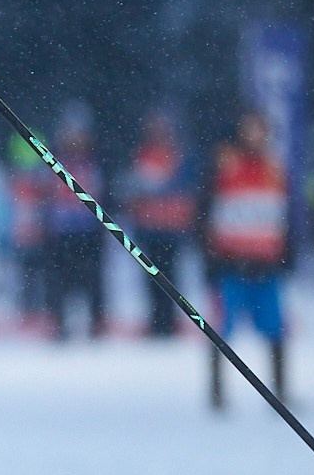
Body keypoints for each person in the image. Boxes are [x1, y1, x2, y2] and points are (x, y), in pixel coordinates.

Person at [204, 108, 290, 409]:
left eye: (259, 129)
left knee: (275, 327)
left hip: (265, 263)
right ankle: (216, 394)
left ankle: (280, 392)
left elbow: (284, 214)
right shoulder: (225, 163)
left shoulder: (274, 167)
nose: (254, 135)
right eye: (249, 128)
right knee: (220, 329)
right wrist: (210, 258)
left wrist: (286, 255)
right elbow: (206, 210)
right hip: (232, 261)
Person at [124, 109, 196, 337]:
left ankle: (169, 320)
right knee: (151, 276)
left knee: (170, 275)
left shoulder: (177, 155)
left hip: (170, 226)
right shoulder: (142, 155)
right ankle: (157, 320)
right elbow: (135, 190)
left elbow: (184, 190)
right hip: (149, 225)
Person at [42, 108, 109, 340]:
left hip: (87, 231)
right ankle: (59, 323)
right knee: (59, 281)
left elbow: (103, 194)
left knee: (92, 280)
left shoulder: (95, 160)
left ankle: (95, 324)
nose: (74, 139)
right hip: (61, 232)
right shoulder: (54, 159)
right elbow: (46, 196)